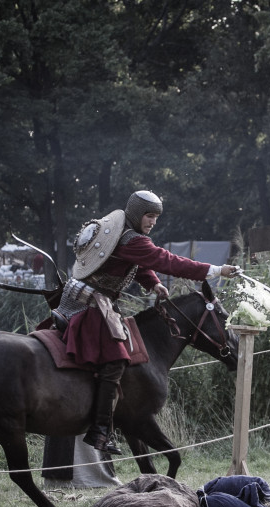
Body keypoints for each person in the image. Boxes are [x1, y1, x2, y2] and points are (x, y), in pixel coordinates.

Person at [55, 190, 239, 454]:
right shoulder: (132, 240)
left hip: (80, 298)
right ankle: (100, 431)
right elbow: (168, 261)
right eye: (149, 216)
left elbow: (138, 265)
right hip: (91, 305)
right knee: (115, 358)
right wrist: (217, 270)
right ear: (136, 214)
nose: (153, 222)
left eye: (156, 217)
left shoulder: (120, 233)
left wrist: (153, 283)